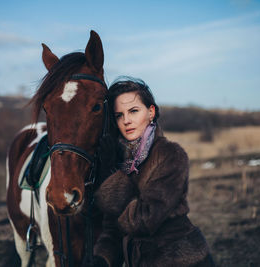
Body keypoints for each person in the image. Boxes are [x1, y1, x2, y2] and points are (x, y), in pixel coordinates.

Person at [92, 77, 215, 267]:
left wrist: (110, 177)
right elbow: (112, 227)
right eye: (119, 115)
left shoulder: (170, 155)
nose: (126, 121)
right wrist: (102, 259)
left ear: (151, 112)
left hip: (181, 260)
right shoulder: (123, 160)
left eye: (133, 111)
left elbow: (143, 219)